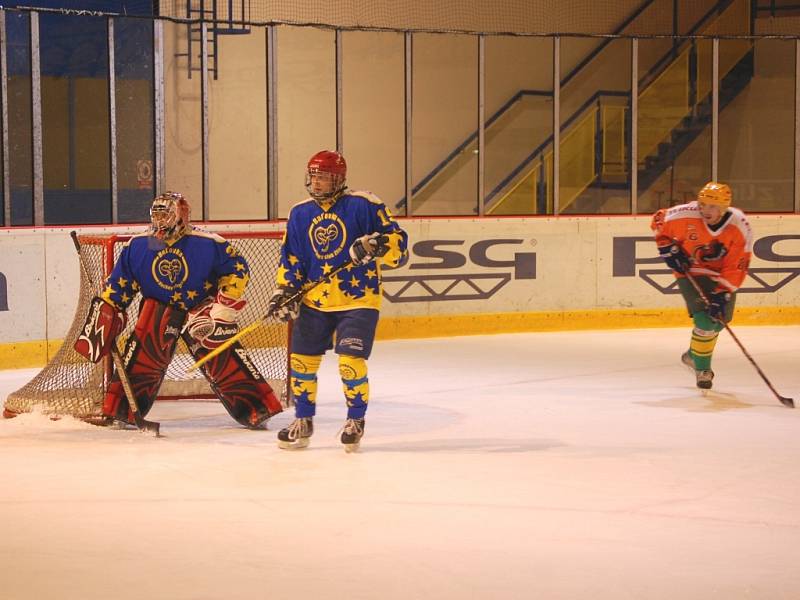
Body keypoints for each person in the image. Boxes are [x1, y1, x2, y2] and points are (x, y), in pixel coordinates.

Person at [73, 191, 283, 428]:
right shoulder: (138, 245)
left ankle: (257, 407)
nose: (161, 221)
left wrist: (223, 309)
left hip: (200, 308)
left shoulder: (209, 242)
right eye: (157, 215)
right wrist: (110, 309)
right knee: (143, 353)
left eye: (167, 215)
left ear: (181, 216)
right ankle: (123, 409)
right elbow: (121, 283)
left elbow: (237, 270)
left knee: (218, 347)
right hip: (158, 309)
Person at [266, 150, 408, 452]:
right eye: (314, 176)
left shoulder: (364, 205)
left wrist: (376, 245)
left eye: (324, 177)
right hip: (314, 300)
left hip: (358, 299)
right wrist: (285, 290)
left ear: (339, 179)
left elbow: (400, 247)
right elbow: (291, 258)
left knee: (350, 362)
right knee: (301, 363)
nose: (317, 183)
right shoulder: (299, 213)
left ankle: (355, 419)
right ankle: (302, 421)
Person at [651, 181, 753, 389]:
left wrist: (723, 293)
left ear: (724, 208)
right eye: (703, 204)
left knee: (719, 321)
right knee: (705, 323)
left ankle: (693, 355)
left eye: (713, 206)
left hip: (720, 274)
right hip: (689, 271)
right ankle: (702, 370)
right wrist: (666, 246)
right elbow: (658, 221)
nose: (706, 210)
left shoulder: (739, 226)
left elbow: (737, 265)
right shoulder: (684, 214)